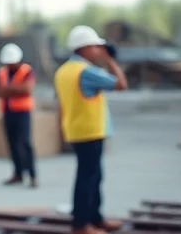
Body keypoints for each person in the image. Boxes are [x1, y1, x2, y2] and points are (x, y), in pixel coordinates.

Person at [54, 26, 128, 234]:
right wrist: (110, 61)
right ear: (84, 48)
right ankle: (82, 225)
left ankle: (95, 219)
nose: (98, 50)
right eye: (95, 46)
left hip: (76, 129)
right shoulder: (86, 71)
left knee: (93, 176)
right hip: (90, 131)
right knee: (88, 178)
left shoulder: (63, 71)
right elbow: (121, 84)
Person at [0, 43, 37, 187]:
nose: (10, 65)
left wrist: (7, 90)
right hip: (8, 112)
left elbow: (27, 89)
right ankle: (18, 173)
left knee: (25, 143)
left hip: (23, 112)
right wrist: (14, 90)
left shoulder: (27, 71)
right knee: (12, 144)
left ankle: (32, 175)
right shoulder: (2, 72)